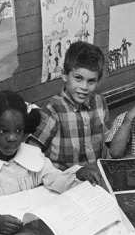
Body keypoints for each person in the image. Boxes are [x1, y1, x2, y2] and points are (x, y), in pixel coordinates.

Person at [0, 91, 94, 235]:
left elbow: (55, 178)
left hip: (32, 229)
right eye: (3, 131)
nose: (12, 137)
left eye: (18, 130)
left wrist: (76, 176)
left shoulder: (32, 154)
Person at [30, 41, 109, 173]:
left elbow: (106, 140)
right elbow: (33, 150)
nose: (84, 87)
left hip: (95, 179)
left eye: (91, 81)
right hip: (64, 182)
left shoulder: (100, 103)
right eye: (78, 78)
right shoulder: (53, 109)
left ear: (98, 80)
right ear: (65, 75)